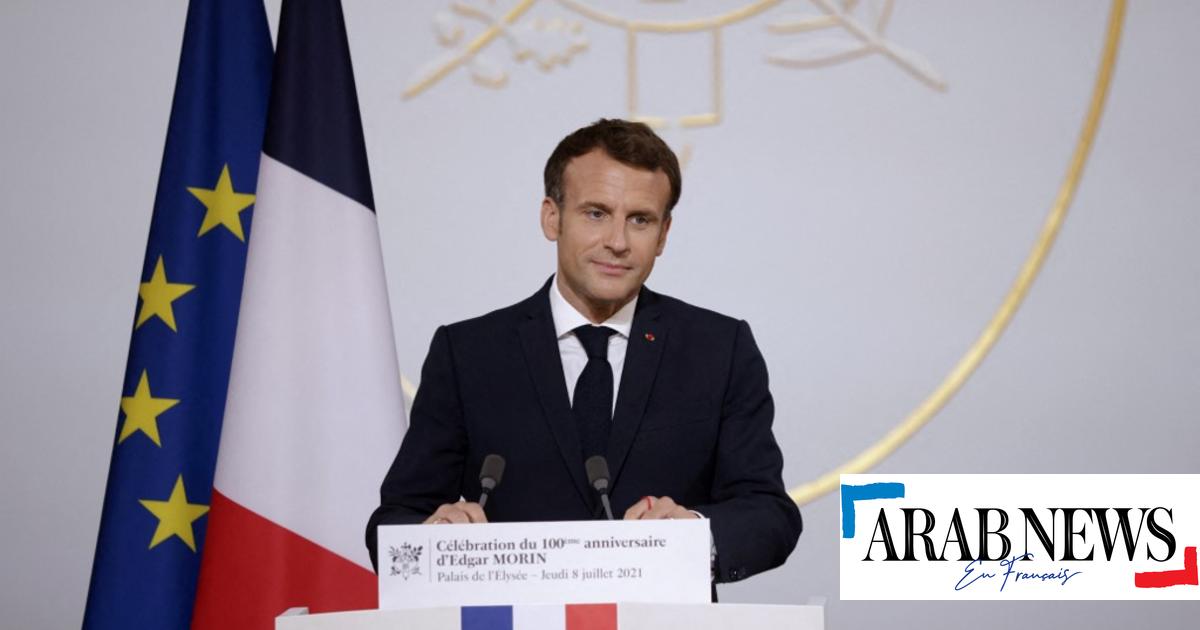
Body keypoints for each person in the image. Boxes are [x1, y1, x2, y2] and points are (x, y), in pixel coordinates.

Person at [366, 119, 801, 585]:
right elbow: (395, 519)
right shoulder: (469, 352)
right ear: (551, 218)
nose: (617, 241)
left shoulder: (719, 348)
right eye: (596, 213)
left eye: (640, 219)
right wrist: (433, 534)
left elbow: (769, 512)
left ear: (664, 234)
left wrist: (694, 534)